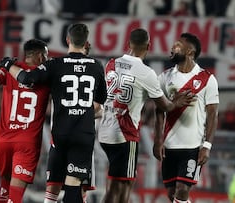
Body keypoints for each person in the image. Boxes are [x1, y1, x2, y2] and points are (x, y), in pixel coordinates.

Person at [1, 23, 108, 203]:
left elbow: (27, 79)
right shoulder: (96, 66)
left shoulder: (55, 65)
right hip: (83, 133)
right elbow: (99, 103)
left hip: (60, 134)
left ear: (67, 40)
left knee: (53, 185)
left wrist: (8, 65)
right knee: (74, 185)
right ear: (86, 42)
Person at [97, 28, 196, 203]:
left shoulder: (111, 63)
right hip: (124, 134)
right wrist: (177, 102)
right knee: (121, 186)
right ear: (149, 46)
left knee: (115, 183)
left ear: (128, 45)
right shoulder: (146, 72)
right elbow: (164, 106)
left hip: (104, 130)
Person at [0, 39, 51, 203]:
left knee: (5, 185)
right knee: (16, 195)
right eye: (46, 55)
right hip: (27, 141)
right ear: (39, 56)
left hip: (4, 139)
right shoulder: (46, 75)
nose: (47, 59)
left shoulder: (9, 70)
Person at [153, 32, 219, 203]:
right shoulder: (164, 77)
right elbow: (159, 111)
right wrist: (158, 141)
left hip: (193, 147)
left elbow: (213, 114)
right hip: (168, 146)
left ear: (190, 51)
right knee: (171, 194)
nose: (172, 48)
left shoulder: (207, 79)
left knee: (182, 191)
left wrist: (207, 145)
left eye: (177, 45)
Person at [43, 42, 96, 203]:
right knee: (54, 187)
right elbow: (99, 107)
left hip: (66, 139)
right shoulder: (91, 73)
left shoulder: (60, 69)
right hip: (69, 140)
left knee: (78, 188)